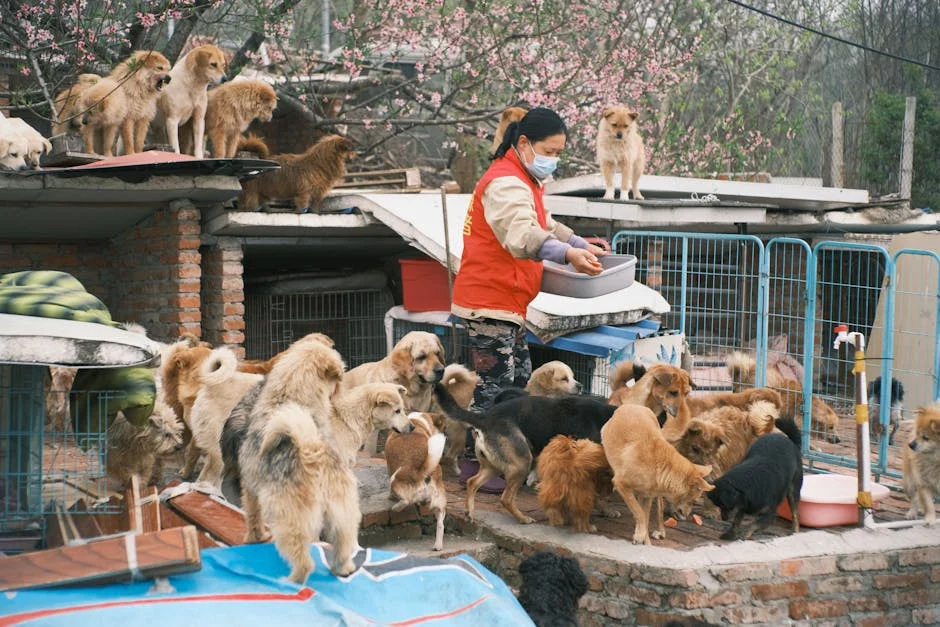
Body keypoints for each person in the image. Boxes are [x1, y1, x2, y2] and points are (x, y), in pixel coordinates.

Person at [452, 106, 606, 417]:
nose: (554, 160)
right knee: (495, 393)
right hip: (489, 301)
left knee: (518, 387)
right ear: (524, 143)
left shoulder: (523, 179)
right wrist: (568, 254)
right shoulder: (505, 183)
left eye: (559, 153)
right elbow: (522, 234)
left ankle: (501, 444)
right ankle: (474, 448)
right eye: (549, 151)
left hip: (507, 302)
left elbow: (543, 223)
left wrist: (578, 243)